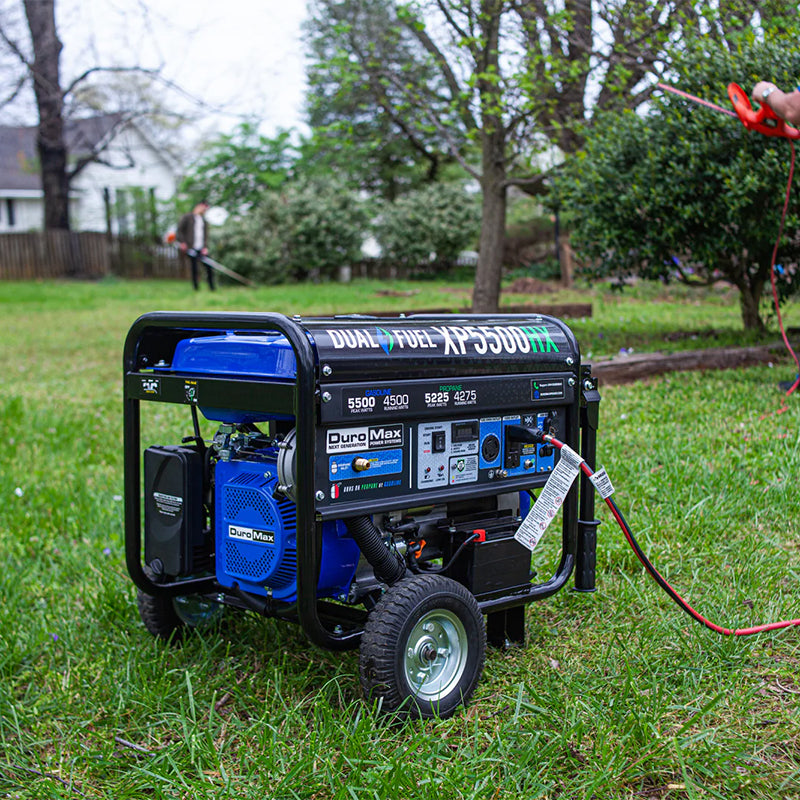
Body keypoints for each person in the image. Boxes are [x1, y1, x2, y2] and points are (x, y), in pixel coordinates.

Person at [177, 200, 214, 290]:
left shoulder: (204, 221)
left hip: (201, 248)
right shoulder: (187, 217)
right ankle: (196, 287)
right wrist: (182, 242)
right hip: (191, 247)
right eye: (204, 208)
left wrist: (205, 247)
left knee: (209, 266)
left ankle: (212, 287)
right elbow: (179, 230)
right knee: (194, 268)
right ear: (199, 206)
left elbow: (205, 235)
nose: (204, 210)